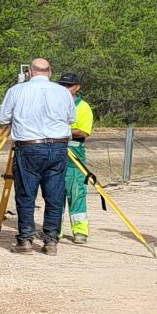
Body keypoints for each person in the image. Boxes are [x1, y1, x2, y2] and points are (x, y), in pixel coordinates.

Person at [0, 58, 75, 255]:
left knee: (26, 195)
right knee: (55, 196)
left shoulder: (17, 90)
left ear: (30, 72)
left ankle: (25, 241)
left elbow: (2, 117)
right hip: (58, 147)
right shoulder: (63, 92)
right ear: (50, 73)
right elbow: (72, 119)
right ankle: (51, 242)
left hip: (29, 148)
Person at [60, 72, 93, 242]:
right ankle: (54, 229)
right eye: (63, 85)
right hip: (57, 156)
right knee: (55, 194)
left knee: (76, 194)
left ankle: (80, 231)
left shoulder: (83, 107)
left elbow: (84, 131)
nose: (65, 89)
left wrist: (63, 131)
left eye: (69, 85)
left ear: (77, 87)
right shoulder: (56, 103)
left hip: (75, 158)